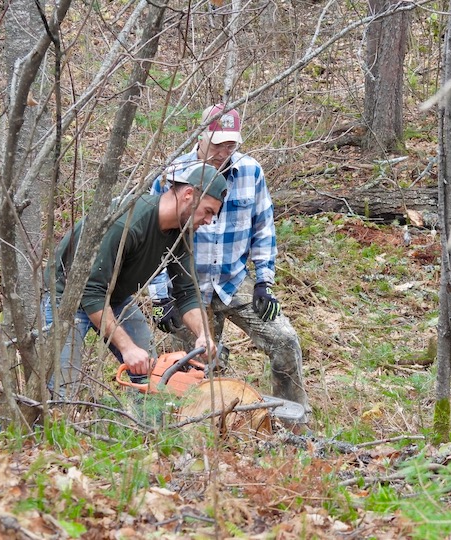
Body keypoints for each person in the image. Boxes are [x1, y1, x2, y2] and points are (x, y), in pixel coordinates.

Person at [149, 103, 309, 414]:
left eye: (231, 143)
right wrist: (160, 296)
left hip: (233, 280)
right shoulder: (172, 175)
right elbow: (152, 236)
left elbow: (264, 228)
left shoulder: (250, 171)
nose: (224, 150)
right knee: (193, 366)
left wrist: (264, 281)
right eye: (218, 142)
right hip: (185, 287)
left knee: (285, 341)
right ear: (201, 135)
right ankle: (200, 429)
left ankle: (293, 421)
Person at [43, 164, 227, 397]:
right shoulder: (128, 222)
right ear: (188, 195)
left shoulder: (182, 232)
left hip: (114, 297)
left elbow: (186, 292)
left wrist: (203, 333)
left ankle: (147, 427)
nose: (210, 221)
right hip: (67, 297)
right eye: (208, 211)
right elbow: (90, 292)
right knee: (60, 388)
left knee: (154, 372)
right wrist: (127, 348)